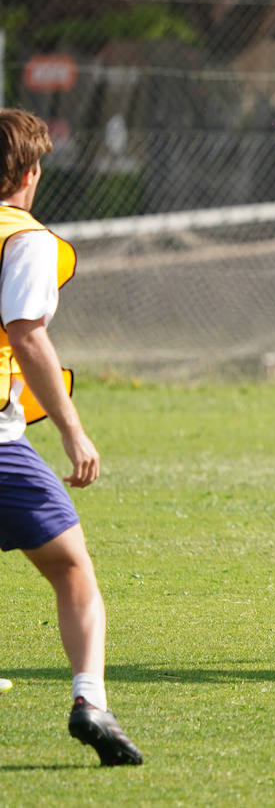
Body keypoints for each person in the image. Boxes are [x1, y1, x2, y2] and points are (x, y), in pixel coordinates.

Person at [0, 109, 143, 765]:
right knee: (70, 566)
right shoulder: (22, 239)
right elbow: (27, 334)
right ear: (30, 174)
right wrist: (73, 430)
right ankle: (91, 700)